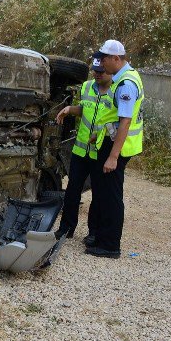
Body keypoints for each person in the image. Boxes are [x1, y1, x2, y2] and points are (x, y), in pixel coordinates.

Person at [87, 39, 144, 259]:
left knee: (111, 197)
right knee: (103, 193)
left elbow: (125, 122)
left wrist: (112, 156)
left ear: (116, 59)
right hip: (110, 141)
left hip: (117, 147)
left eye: (103, 58)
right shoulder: (125, 78)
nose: (100, 63)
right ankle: (101, 239)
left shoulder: (126, 84)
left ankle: (110, 246)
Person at [55, 55, 113, 243]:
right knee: (73, 190)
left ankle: (93, 232)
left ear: (110, 71)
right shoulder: (87, 87)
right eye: (94, 71)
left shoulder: (116, 92)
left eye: (100, 72)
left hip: (99, 151)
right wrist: (70, 109)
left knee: (98, 193)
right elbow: (84, 108)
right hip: (80, 150)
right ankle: (66, 228)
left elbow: (119, 121)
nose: (96, 74)